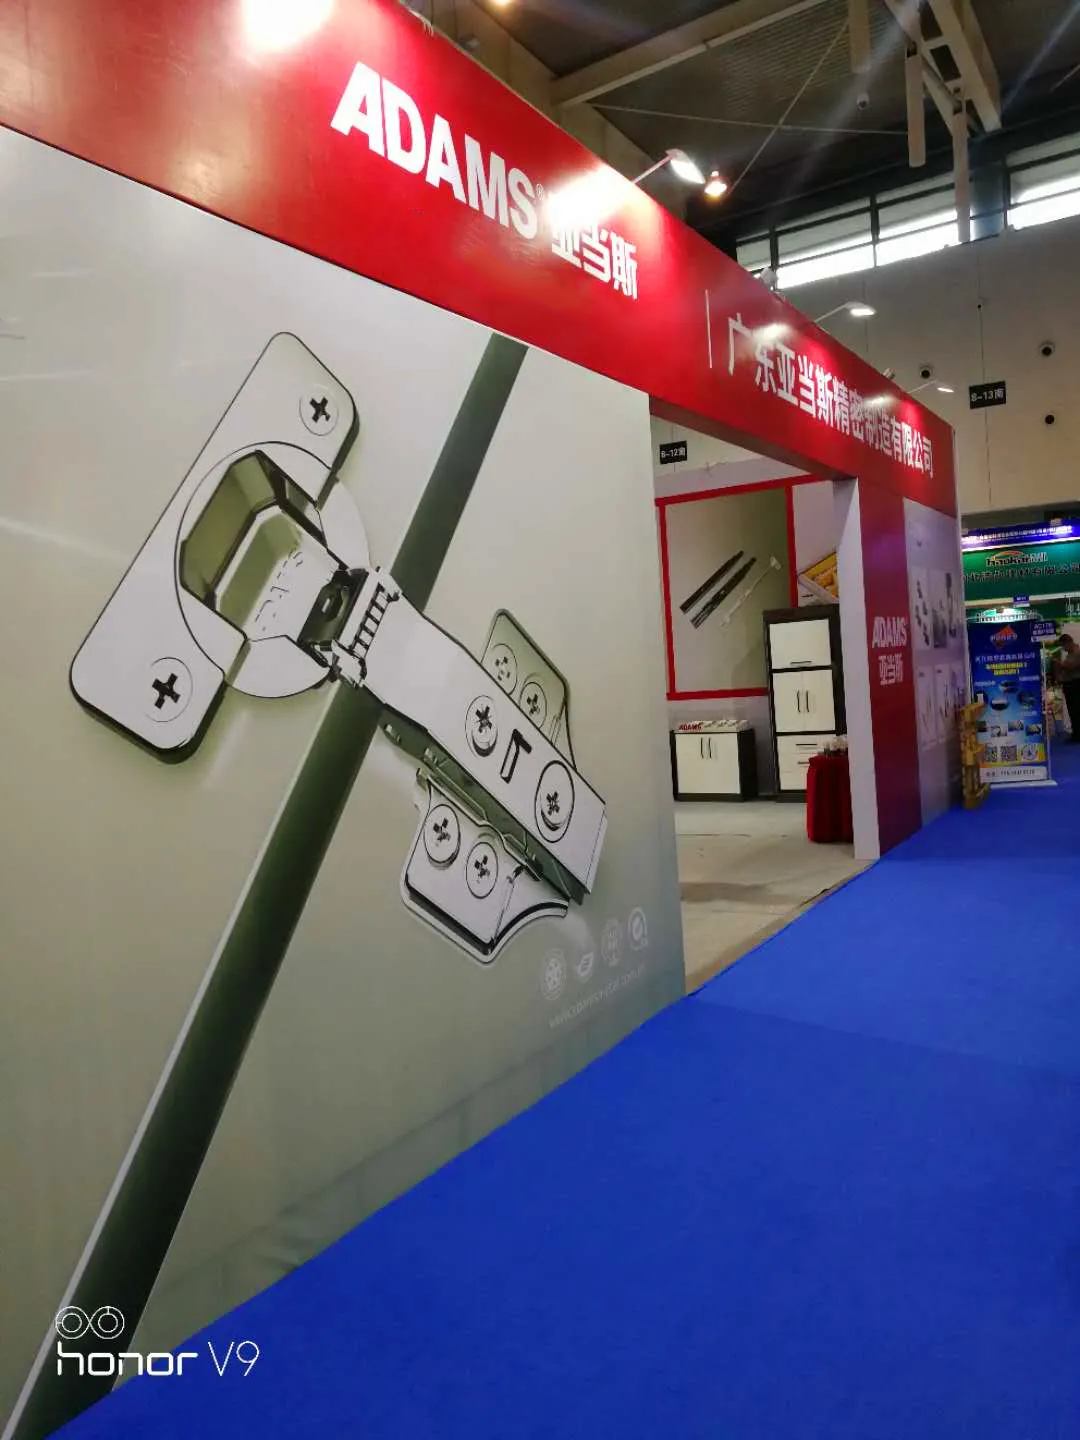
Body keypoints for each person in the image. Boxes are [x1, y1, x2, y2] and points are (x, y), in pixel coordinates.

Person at [1057, 633, 1080, 741]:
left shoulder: (1077, 653)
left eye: (1063, 645)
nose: (1063, 648)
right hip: (1070, 685)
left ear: (1068, 642)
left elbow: (1070, 666)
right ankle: (1076, 733)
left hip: (1075, 685)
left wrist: (1058, 663)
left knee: (1076, 710)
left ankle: (1078, 735)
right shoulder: (1070, 653)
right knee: (1072, 710)